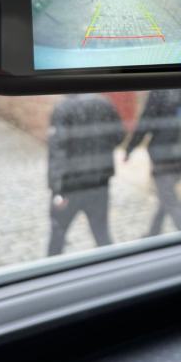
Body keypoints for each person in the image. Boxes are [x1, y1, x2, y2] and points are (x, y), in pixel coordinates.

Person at [125, 88, 181, 236]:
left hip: (162, 158)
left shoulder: (158, 93)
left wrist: (129, 148)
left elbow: (145, 123)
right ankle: (153, 232)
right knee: (166, 196)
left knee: (170, 200)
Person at [47, 93, 125, 256]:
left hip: (70, 186)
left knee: (58, 234)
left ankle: (51, 269)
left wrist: (57, 189)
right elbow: (119, 135)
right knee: (101, 233)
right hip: (99, 183)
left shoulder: (63, 108)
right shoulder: (104, 104)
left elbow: (57, 150)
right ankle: (113, 265)